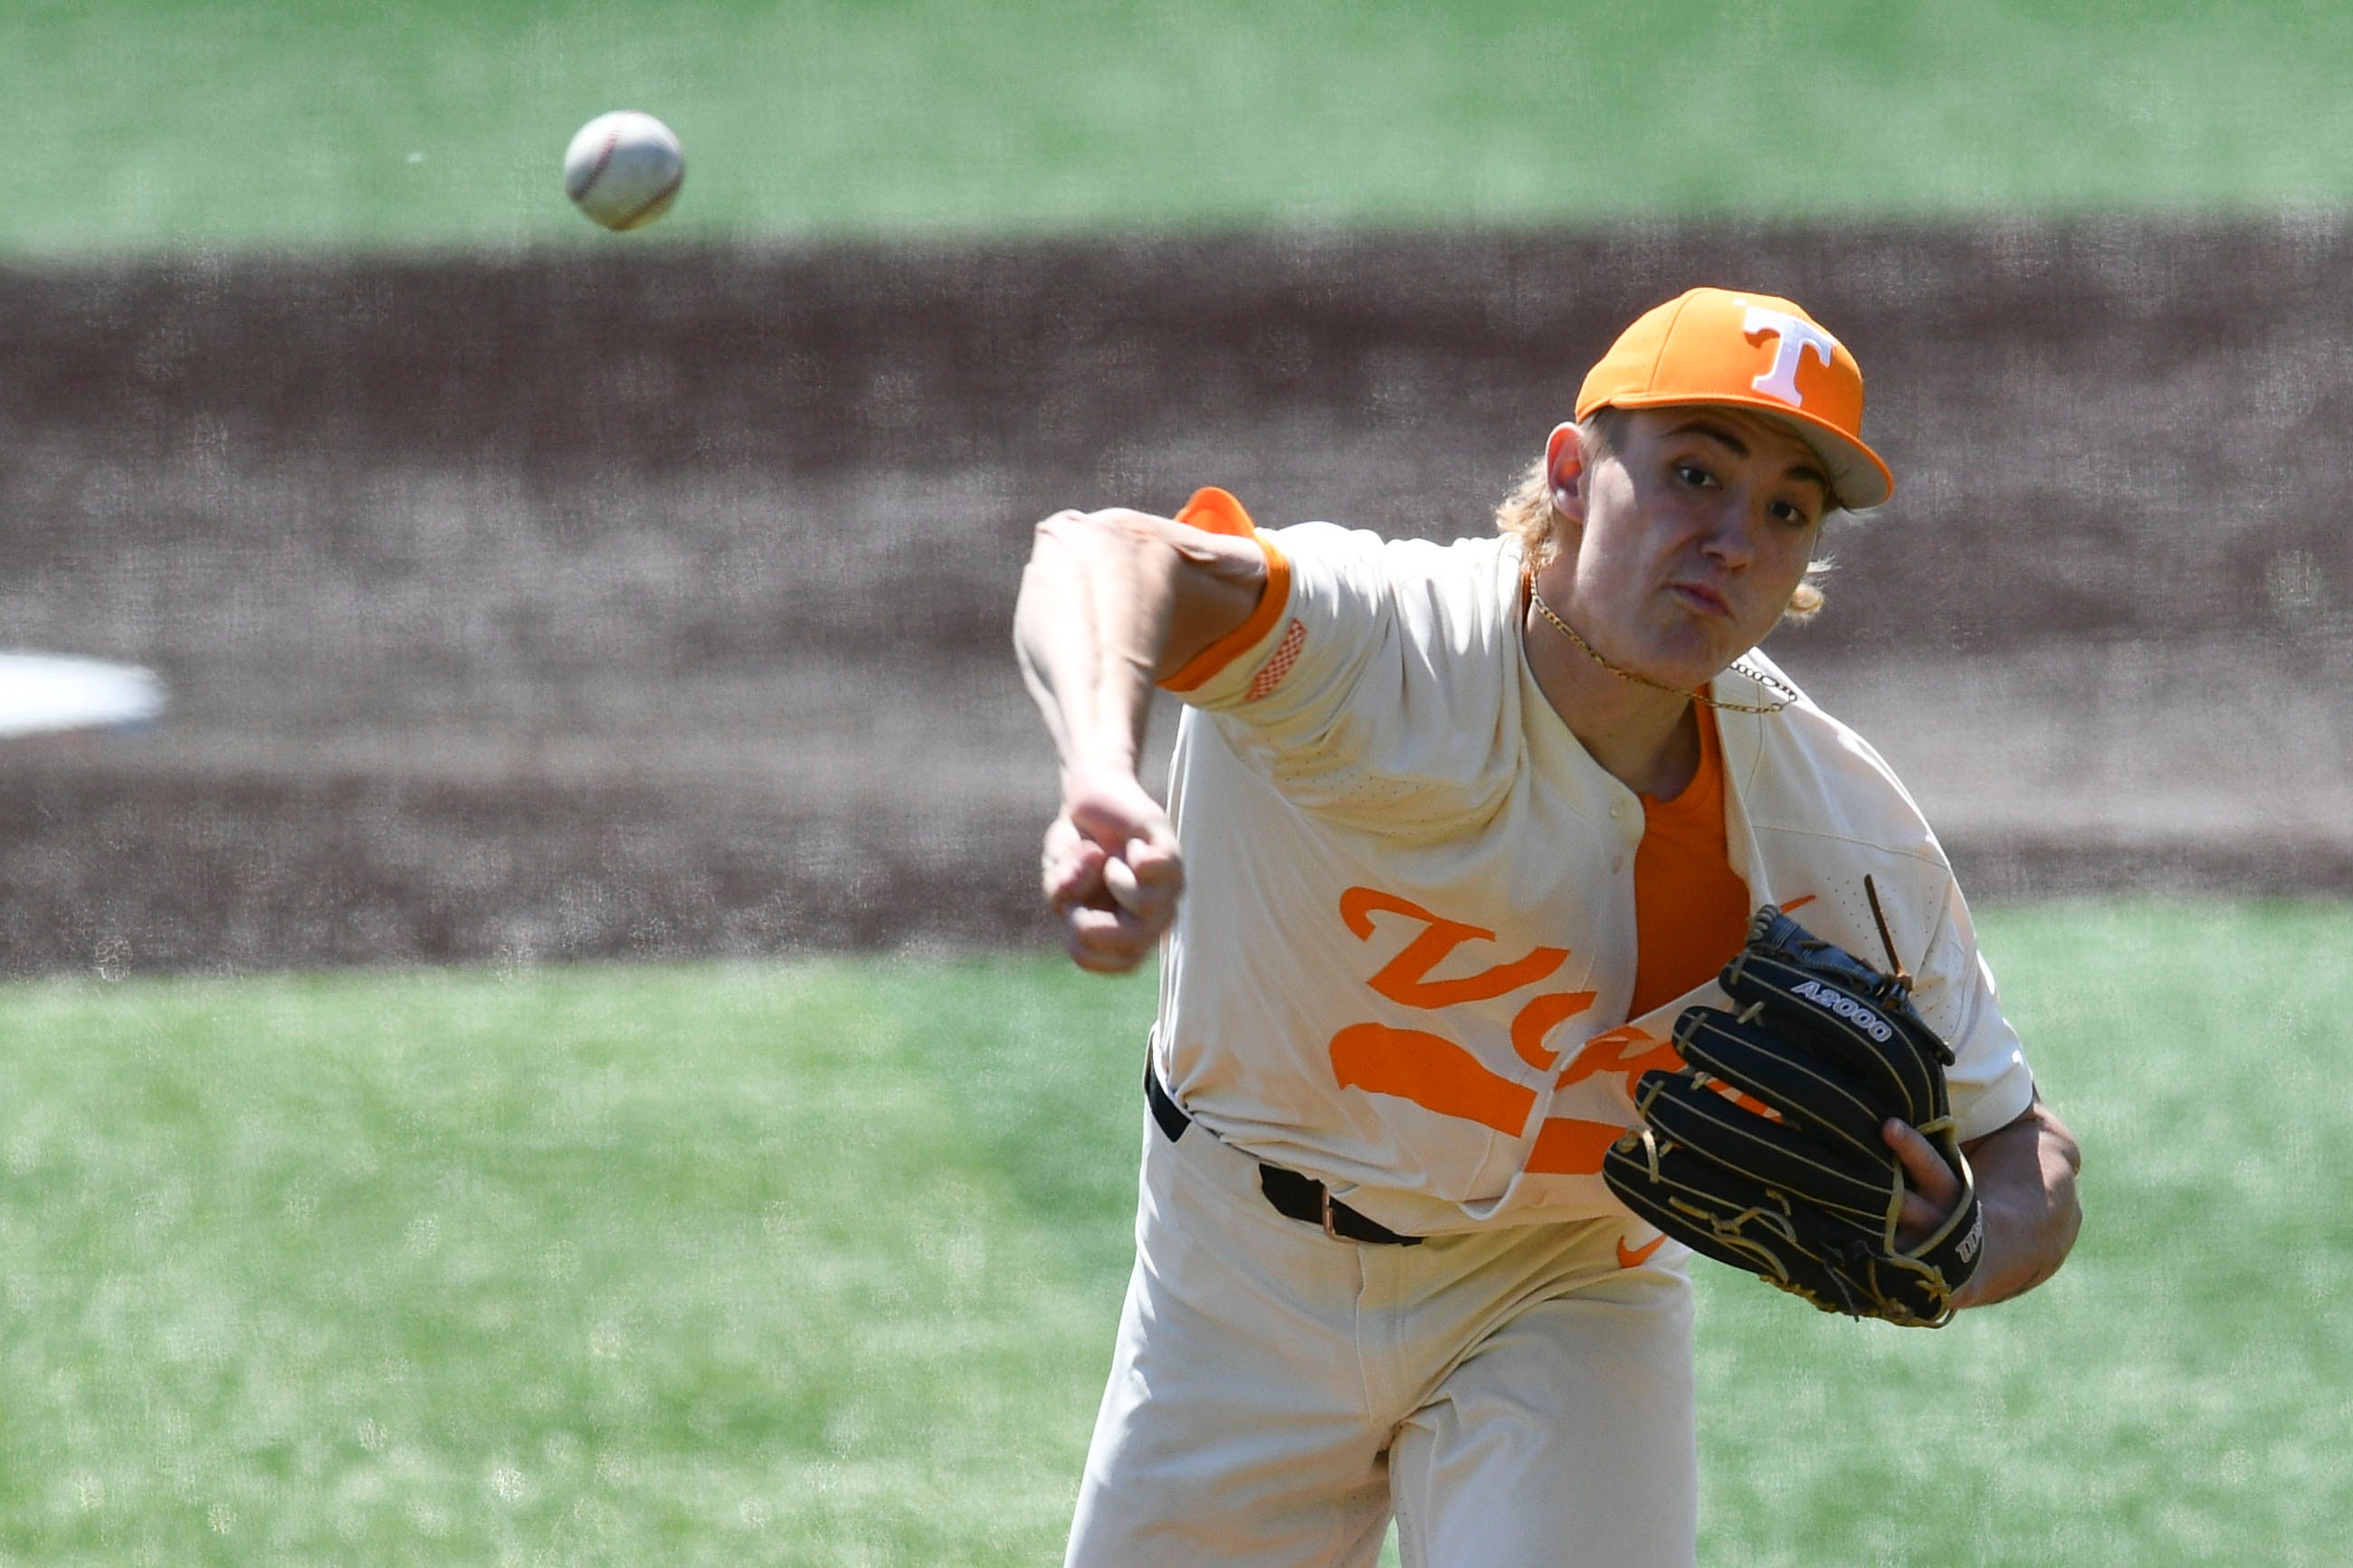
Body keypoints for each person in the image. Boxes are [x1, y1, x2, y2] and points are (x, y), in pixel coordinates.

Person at [1012, 286, 2082, 1567]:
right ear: (1573, 472)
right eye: (1694, 472)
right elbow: (1102, 554)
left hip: (1562, 1283)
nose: (1734, 538)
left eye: (1786, 510)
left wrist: (1959, 1244)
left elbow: (2029, 1152)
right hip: (1235, 1270)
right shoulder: (1382, 647)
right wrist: (1101, 772)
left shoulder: (1832, 824)